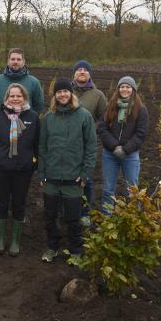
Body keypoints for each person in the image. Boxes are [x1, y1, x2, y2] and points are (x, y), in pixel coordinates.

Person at [39, 78, 96, 262]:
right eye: (59, 92)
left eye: (65, 91)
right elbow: (42, 147)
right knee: (50, 216)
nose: (62, 94)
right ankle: (52, 247)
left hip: (74, 177)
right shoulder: (48, 117)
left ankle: (75, 251)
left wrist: (85, 173)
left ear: (71, 94)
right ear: (55, 95)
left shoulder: (84, 116)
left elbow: (91, 147)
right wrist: (42, 172)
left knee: (73, 218)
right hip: (52, 177)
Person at [0, 84, 39, 257]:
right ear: (6, 98)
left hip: (22, 169)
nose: (15, 99)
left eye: (19, 96)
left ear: (24, 98)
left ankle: (15, 242)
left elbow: (37, 143)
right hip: (1, 168)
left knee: (19, 202)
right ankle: (1, 241)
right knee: (1, 202)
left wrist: (34, 163)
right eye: (12, 96)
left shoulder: (32, 117)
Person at [97, 76, 149, 214]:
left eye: (128, 87)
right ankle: (106, 219)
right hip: (110, 154)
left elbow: (141, 134)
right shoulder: (110, 107)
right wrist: (114, 146)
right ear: (118, 89)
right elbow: (101, 128)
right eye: (122, 87)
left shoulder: (141, 110)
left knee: (131, 189)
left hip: (130, 155)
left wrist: (125, 149)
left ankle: (133, 220)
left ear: (133, 90)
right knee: (108, 189)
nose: (125, 89)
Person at [70, 60, 107, 225]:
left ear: (89, 73)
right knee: (66, 176)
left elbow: (104, 118)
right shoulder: (66, 91)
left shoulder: (98, 95)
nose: (82, 72)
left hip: (86, 143)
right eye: (79, 69)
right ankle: (66, 209)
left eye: (85, 69)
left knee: (86, 178)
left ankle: (84, 212)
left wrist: (92, 128)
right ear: (75, 73)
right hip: (65, 142)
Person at [0, 48, 44, 113]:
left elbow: (39, 107)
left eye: (18, 59)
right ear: (8, 61)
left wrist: (29, 119)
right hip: (0, 121)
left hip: (25, 122)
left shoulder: (34, 82)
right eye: (13, 59)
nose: (15, 62)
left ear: (23, 62)